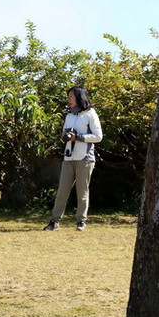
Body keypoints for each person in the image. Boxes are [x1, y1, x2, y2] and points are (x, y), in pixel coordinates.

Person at [44, 86, 103, 231]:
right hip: (69, 157)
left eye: (71, 96)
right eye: (68, 96)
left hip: (85, 158)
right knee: (62, 191)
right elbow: (64, 134)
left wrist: (79, 137)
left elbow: (98, 137)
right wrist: (65, 136)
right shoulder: (69, 115)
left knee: (82, 191)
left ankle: (81, 221)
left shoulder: (90, 113)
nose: (69, 100)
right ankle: (54, 221)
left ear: (79, 97)